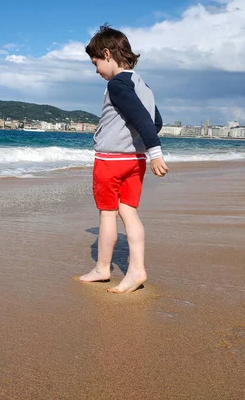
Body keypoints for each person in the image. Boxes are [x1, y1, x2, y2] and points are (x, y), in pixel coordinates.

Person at [79, 24, 169, 294]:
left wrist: (155, 150)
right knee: (128, 212)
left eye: (96, 63)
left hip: (112, 161)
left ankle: (102, 268)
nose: (96, 70)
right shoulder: (144, 85)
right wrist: (144, 147)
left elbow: (144, 120)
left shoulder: (118, 84)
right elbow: (156, 121)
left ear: (107, 54)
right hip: (135, 160)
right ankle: (137, 269)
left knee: (107, 213)